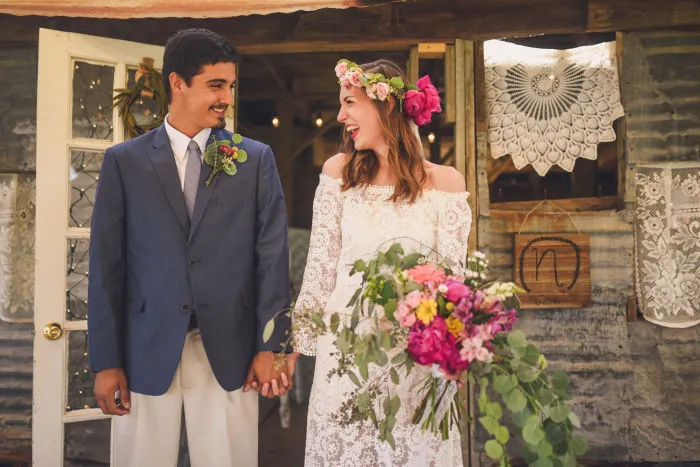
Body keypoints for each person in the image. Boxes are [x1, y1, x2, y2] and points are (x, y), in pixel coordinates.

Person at [87, 28, 292, 467]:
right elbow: (107, 267)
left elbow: (272, 259)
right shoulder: (124, 162)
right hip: (144, 345)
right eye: (215, 86)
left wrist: (270, 347)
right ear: (178, 83)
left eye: (230, 86)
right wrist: (105, 360)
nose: (227, 98)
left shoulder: (255, 159)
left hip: (230, 347)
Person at [291, 59, 472, 466]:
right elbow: (320, 268)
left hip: (415, 361)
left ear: (384, 105)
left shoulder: (447, 185)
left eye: (349, 102)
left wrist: (453, 353)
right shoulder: (338, 174)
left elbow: (453, 282)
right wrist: (294, 345)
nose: (341, 116)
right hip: (346, 355)